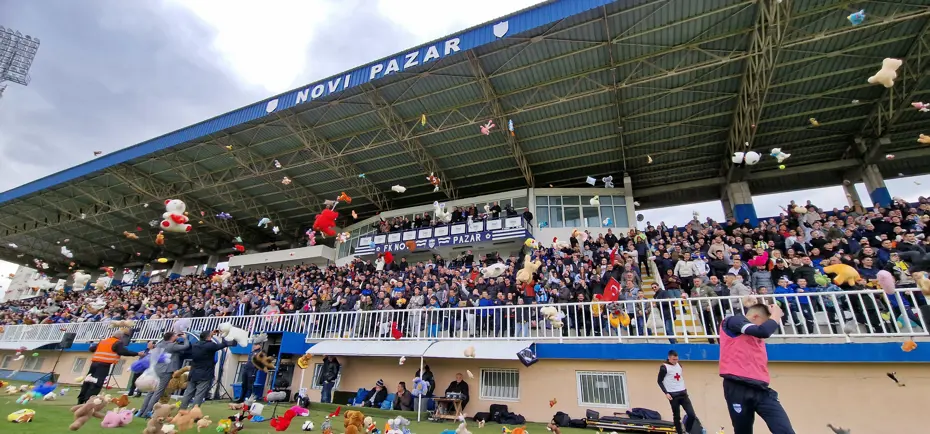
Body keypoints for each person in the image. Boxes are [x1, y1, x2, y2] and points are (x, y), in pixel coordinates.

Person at [720, 302, 796, 434]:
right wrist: (776, 315)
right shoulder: (733, 321)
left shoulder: (753, 335)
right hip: (737, 387)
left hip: (761, 390)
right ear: (755, 317)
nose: (765, 325)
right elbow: (764, 331)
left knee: (785, 430)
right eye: (764, 322)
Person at [78, 329, 144, 404]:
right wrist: (137, 354)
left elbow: (91, 349)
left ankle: (81, 399)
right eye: (122, 336)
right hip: (103, 365)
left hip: (94, 364)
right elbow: (123, 352)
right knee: (97, 383)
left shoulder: (103, 341)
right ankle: (89, 401)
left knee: (88, 381)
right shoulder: (117, 342)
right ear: (120, 336)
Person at [137, 331, 191, 417]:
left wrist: (175, 338)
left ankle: (142, 411)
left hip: (157, 369)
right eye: (175, 336)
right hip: (166, 370)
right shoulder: (171, 346)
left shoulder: (160, 344)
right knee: (158, 392)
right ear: (172, 337)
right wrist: (185, 338)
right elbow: (186, 346)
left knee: (151, 391)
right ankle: (147, 412)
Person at [180, 330, 235, 410]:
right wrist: (223, 334)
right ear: (209, 337)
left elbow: (205, 339)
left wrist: (210, 334)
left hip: (193, 373)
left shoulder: (195, 345)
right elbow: (223, 344)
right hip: (204, 374)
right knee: (199, 394)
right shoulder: (210, 345)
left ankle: (182, 410)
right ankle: (194, 413)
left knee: (188, 393)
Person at [658, 350, 699, 434]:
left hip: (683, 393)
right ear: (669, 358)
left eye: (677, 359)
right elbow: (659, 381)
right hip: (673, 395)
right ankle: (679, 432)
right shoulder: (664, 367)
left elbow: (678, 378)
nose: (675, 361)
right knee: (677, 416)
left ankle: (687, 430)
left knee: (692, 415)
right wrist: (666, 393)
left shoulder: (679, 365)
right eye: (673, 359)